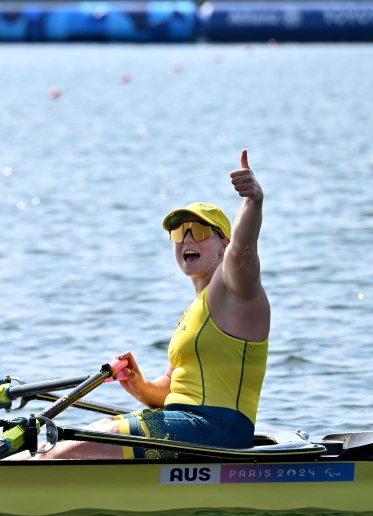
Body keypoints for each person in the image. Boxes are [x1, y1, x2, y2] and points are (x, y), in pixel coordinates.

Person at [23, 149, 268, 460]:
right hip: (185, 423)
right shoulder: (196, 309)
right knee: (94, 429)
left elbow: (245, 248)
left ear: (224, 244)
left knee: (96, 438)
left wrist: (252, 201)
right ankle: (18, 468)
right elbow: (167, 392)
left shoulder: (236, 291)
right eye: (180, 233)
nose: (188, 240)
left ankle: (3, 484)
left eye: (201, 231)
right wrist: (138, 384)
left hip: (218, 429)